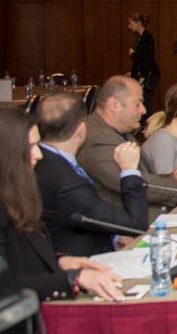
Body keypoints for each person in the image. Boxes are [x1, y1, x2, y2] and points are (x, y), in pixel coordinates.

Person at [0, 108, 125, 309]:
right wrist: (72, 279)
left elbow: (21, 257)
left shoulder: (14, 195)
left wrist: (60, 262)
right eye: (31, 146)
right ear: (4, 153)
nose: (39, 154)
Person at [34, 93, 147, 257]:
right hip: (83, 262)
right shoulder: (67, 181)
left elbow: (81, 213)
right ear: (81, 128)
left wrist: (114, 237)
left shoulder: (44, 160)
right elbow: (135, 224)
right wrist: (129, 170)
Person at [78, 76, 177, 220]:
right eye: (137, 104)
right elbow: (132, 183)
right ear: (114, 105)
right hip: (131, 225)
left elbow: (140, 176)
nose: (144, 110)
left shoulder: (120, 133)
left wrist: (171, 178)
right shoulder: (98, 139)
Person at [127, 13, 160, 115]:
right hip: (146, 73)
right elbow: (141, 60)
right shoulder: (141, 37)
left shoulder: (146, 37)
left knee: (145, 102)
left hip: (149, 75)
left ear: (138, 23)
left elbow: (143, 58)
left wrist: (132, 54)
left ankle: (148, 124)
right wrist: (133, 73)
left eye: (131, 23)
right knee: (145, 101)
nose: (129, 26)